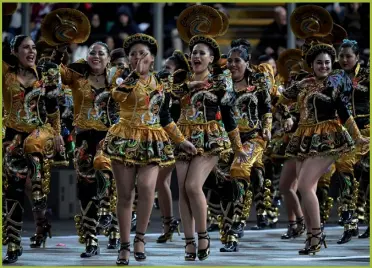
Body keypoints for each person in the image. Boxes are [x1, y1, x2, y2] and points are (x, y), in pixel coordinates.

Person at [102, 33, 196, 265]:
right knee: (125, 195)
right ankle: (124, 245)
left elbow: (164, 116)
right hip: (125, 136)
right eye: (133, 54)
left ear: (152, 58)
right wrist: (133, 74)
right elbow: (117, 97)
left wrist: (180, 139)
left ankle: (140, 240)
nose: (137, 58)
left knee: (146, 188)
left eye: (142, 54)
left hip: (152, 139)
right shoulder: (119, 76)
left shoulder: (162, 82)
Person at [278, 39, 369, 255]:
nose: (324, 67)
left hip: (328, 137)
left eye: (328, 63)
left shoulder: (335, 83)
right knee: (305, 188)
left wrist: (357, 137)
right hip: (304, 137)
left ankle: (317, 235)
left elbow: (344, 112)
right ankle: (311, 237)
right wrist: (286, 117)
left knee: (305, 186)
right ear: (312, 64)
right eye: (320, 63)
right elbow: (281, 100)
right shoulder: (303, 83)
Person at [2, 35, 64, 264]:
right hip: (11, 138)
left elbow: (52, 108)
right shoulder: (5, 74)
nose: (31, 52)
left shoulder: (46, 76)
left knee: (35, 186)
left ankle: (40, 213)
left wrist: (57, 133)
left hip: (38, 135)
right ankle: (14, 243)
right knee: (14, 191)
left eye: (34, 48)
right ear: (15, 51)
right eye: (26, 48)